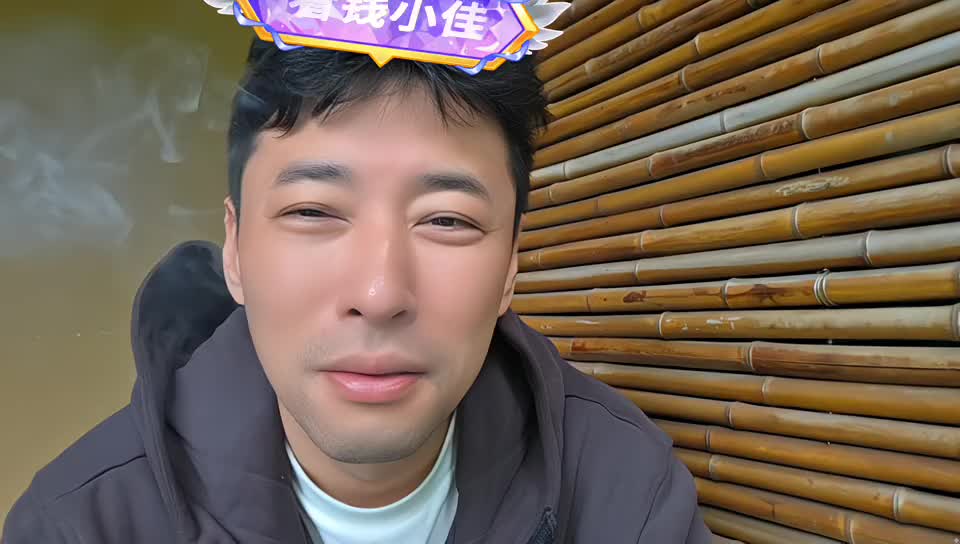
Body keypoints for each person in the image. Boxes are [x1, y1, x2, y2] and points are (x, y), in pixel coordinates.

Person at [3, 37, 712, 543]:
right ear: (236, 250)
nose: (378, 293)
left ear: (509, 267)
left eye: (447, 219)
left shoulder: (626, 496)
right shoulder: (81, 523)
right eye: (314, 211)